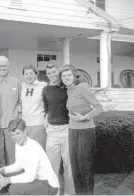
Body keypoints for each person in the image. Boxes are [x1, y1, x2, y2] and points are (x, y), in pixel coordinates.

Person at [59, 64, 104, 195]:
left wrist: (85, 117)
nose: (66, 78)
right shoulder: (68, 90)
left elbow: (99, 108)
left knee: (85, 167)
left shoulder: (82, 87)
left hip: (85, 131)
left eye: (69, 75)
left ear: (74, 76)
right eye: (63, 76)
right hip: (72, 130)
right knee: (75, 167)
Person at [0, 118, 59, 195]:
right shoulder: (19, 144)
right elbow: (19, 165)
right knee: (10, 183)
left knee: (14, 189)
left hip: (49, 185)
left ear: (25, 131)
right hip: (37, 181)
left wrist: (7, 180)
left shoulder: (32, 147)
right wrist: (3, 170)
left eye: (18, 133)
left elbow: (30, 176)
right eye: (13, 135)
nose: (15, 137)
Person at [42, 63, 75, 195]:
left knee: (69, 165)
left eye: (54, 72)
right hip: (52, 131)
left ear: (58, 72)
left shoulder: (66, 87)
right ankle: (55, 193)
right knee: (51, 166)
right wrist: (46, 119)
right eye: (49, 73)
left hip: (67, 129)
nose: (52, 75)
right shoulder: (45, 89)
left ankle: (69, 193)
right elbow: (46, 108)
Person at [0, 55, 21, 168]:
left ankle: (13, 180)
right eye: (0, 66)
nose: (3, 68)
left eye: (5, 66)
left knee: (13, 154)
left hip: (12, 125)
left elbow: (21, 101)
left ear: (9, 66)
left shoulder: (16, 82)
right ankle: (1, 181)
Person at [21, 64, 47, 148]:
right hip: (24, 124)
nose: (29, 76)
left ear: (36, 74)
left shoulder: (43, 85)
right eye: (26, 74)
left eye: (31, 73)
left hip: (38, 123)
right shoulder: (21, 86)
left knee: (39, 149)